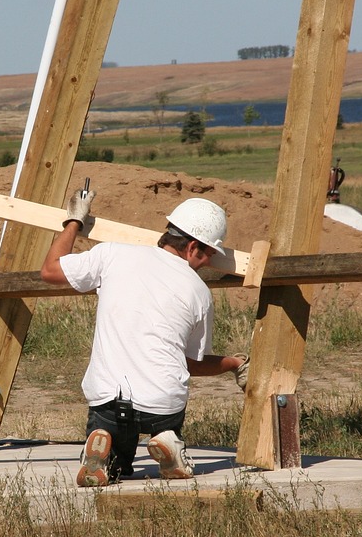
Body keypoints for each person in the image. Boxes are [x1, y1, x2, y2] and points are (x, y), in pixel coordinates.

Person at [40, 193, 249, 487]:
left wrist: (74, 221)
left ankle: (106, 454)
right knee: (164, 411)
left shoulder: (112, 254)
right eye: (210, 253)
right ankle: (166, 441)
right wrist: (234, 363)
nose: (211, 261)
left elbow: (50, 271)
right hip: (161, 407)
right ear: (192, 247)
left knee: (116, 467)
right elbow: (190, 364)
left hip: (108, 400)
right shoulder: (199, 292)